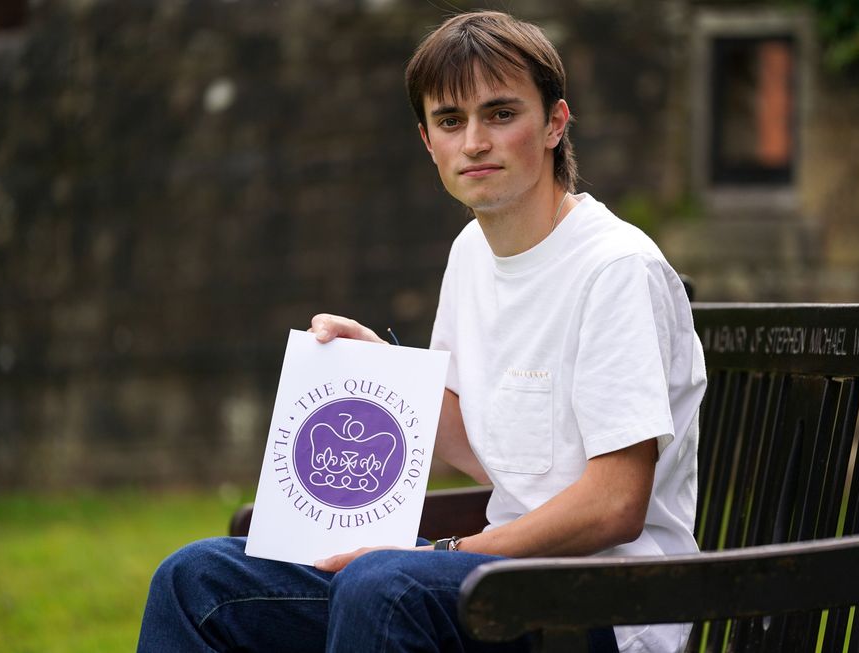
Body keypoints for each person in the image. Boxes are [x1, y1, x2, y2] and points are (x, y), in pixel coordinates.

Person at [137, 10, 705, 653]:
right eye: (450, 121)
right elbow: (489, 451)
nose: (474, 143)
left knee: (385, 584)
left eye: (500, 114)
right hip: (492, 584)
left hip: (602, 606)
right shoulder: (472, 253)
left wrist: (445, 552)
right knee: (196, 581)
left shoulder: (615, 269)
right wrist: (382, 369)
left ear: (554, 123)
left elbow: (615, 504)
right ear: (427, 140)